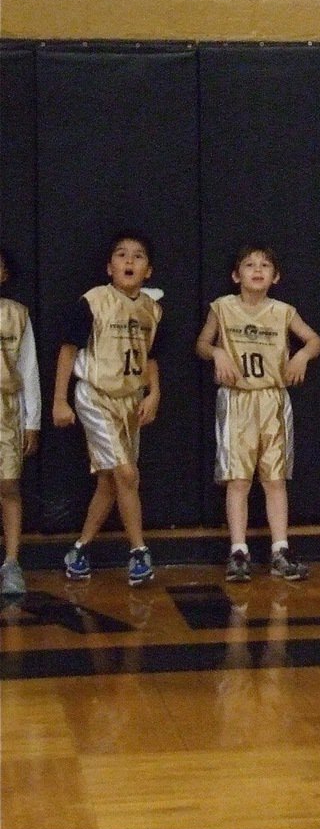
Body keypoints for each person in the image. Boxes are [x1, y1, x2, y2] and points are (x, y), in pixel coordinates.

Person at [195, 244, 320, 583]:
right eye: (249, 264)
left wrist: (302, 356)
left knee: (274, 478)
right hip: (237, 400)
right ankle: (239, 550)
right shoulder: (222, 308)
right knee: (237, 479)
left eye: (265, 265)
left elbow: (314, 340)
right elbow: (201, 344)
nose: (257, 269)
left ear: (275, 276)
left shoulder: (283, 311)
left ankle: (280, 549)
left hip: (272, 399)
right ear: (236, 275)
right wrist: (217, 352)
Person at [52, 231, 162, 587]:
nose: (129, 261)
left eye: (138, 256)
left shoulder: (152, 309)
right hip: (95, 395)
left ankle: (80, 548)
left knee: (110, 482)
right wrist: (59, 399)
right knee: (128, 474)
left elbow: (151, 358)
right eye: (121, 255)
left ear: (148, 270)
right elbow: (68, 350)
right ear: (109, 267)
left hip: (130, 400)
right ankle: (139, 552)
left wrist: (153, 393)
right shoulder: (94, 301)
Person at [0, 250, 41, 597]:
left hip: (6, 409)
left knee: (8, 485)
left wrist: (33, 421)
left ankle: (12, 562)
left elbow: (29, 370)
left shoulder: (16, 315)